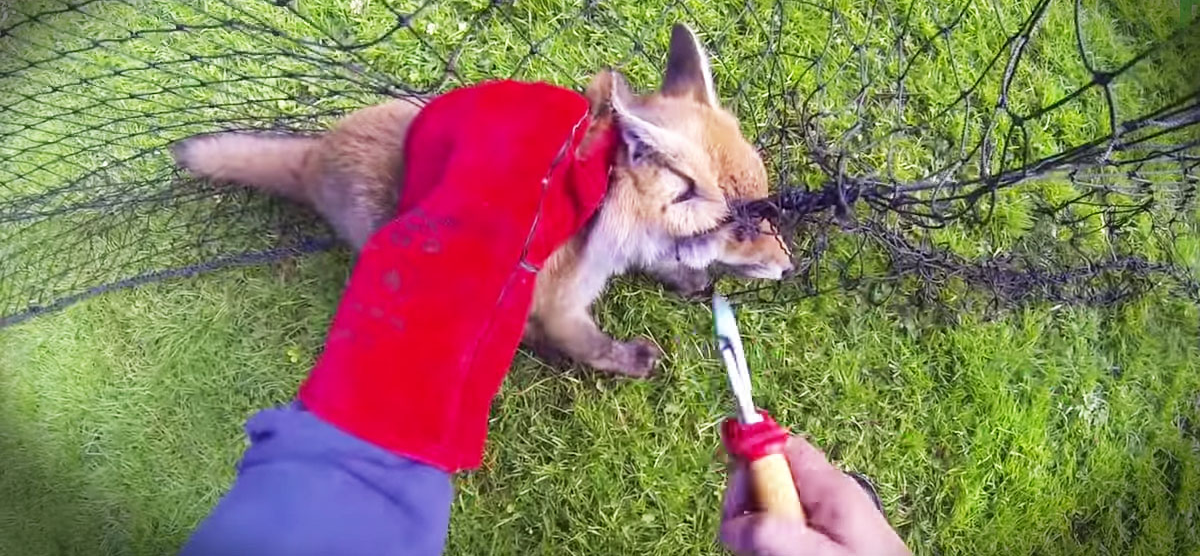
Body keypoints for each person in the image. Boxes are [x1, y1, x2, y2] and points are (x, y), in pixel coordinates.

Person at [181, 80, 909, 556]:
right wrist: (606, 350)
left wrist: (693, 253)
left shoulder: (617, 166)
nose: (771, 258)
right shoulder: (571, 232)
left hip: (395, 134)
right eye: (740, 237)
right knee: (537, 301)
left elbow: (645, 220)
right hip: (369, 196)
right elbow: (565, 305)